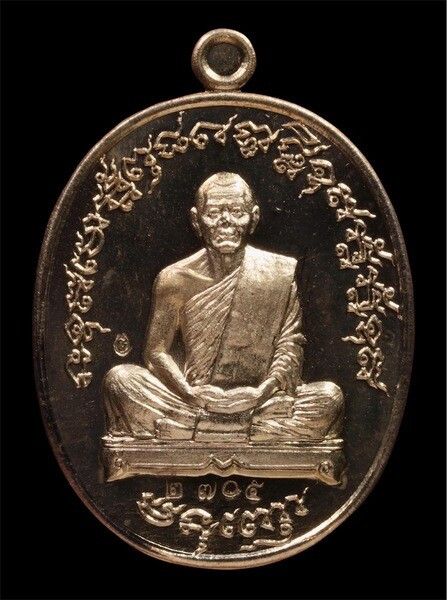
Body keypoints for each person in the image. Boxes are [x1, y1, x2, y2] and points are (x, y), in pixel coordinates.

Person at [103, 172, 344, 443]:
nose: (225, 221)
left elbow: (290, 348)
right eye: (214, 213)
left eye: (237, 212)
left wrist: (261, 393)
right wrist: (189, 393)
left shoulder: (278, 274)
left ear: (253, 218)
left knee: (329, 397)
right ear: (197, 221)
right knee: (120, 380)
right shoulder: (174, 279)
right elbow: (156, 353)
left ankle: (197, 430)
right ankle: (245, 432)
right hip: (192, 400)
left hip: (259, 402)